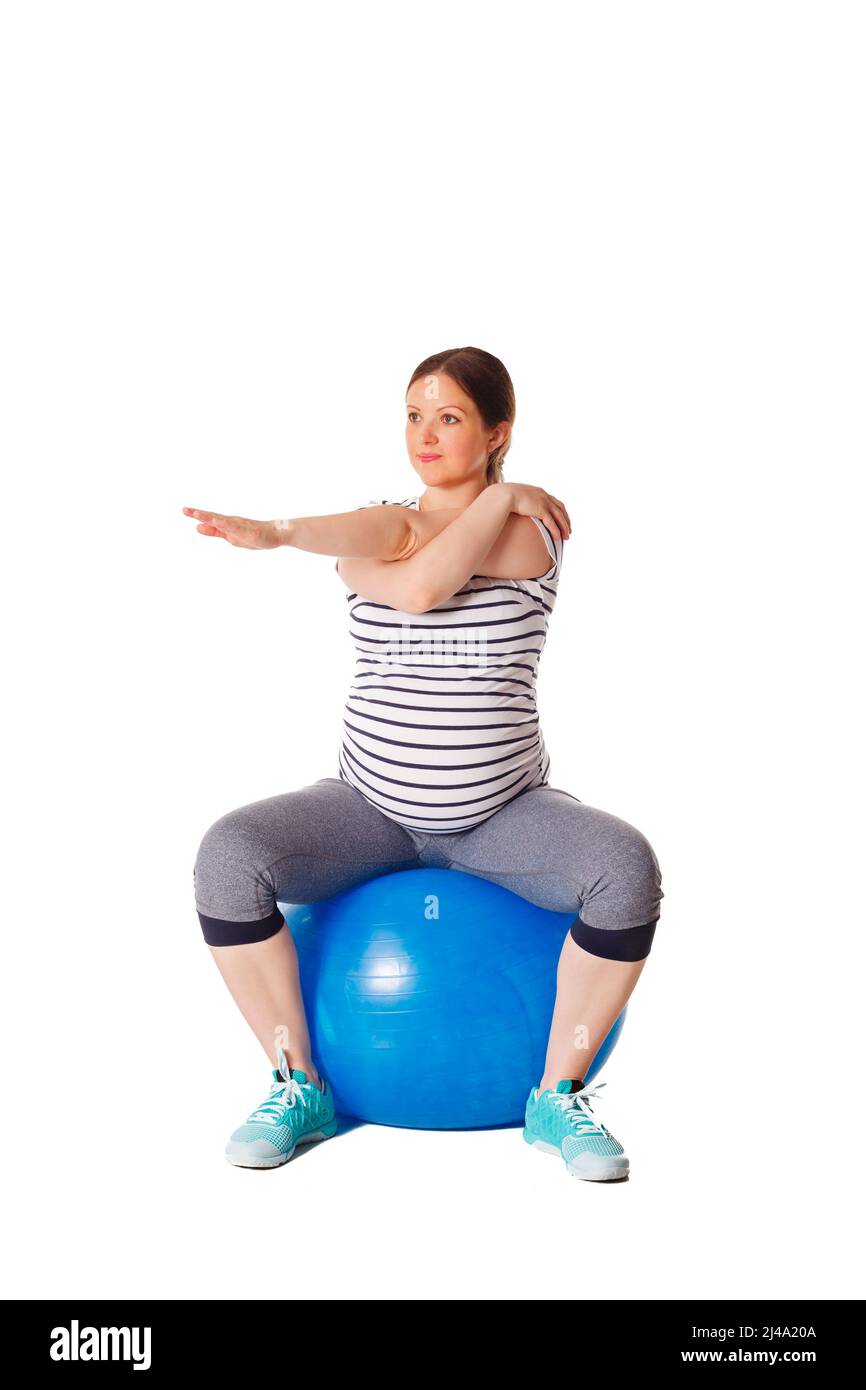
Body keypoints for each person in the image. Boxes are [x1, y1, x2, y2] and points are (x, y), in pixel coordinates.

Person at [182, 345, 664, 1183]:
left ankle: (558, 1095)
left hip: (502, 816)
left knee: (625, 869)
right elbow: (398, 553)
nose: (425, 434)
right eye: (413, 415)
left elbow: (421, 586)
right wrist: (286, 533)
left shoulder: (533, 531)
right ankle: (299, 1085)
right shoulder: (381, 522)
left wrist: (507, 496)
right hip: (367, 809)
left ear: (495, 432)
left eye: (448, 418)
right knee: (228, 856)